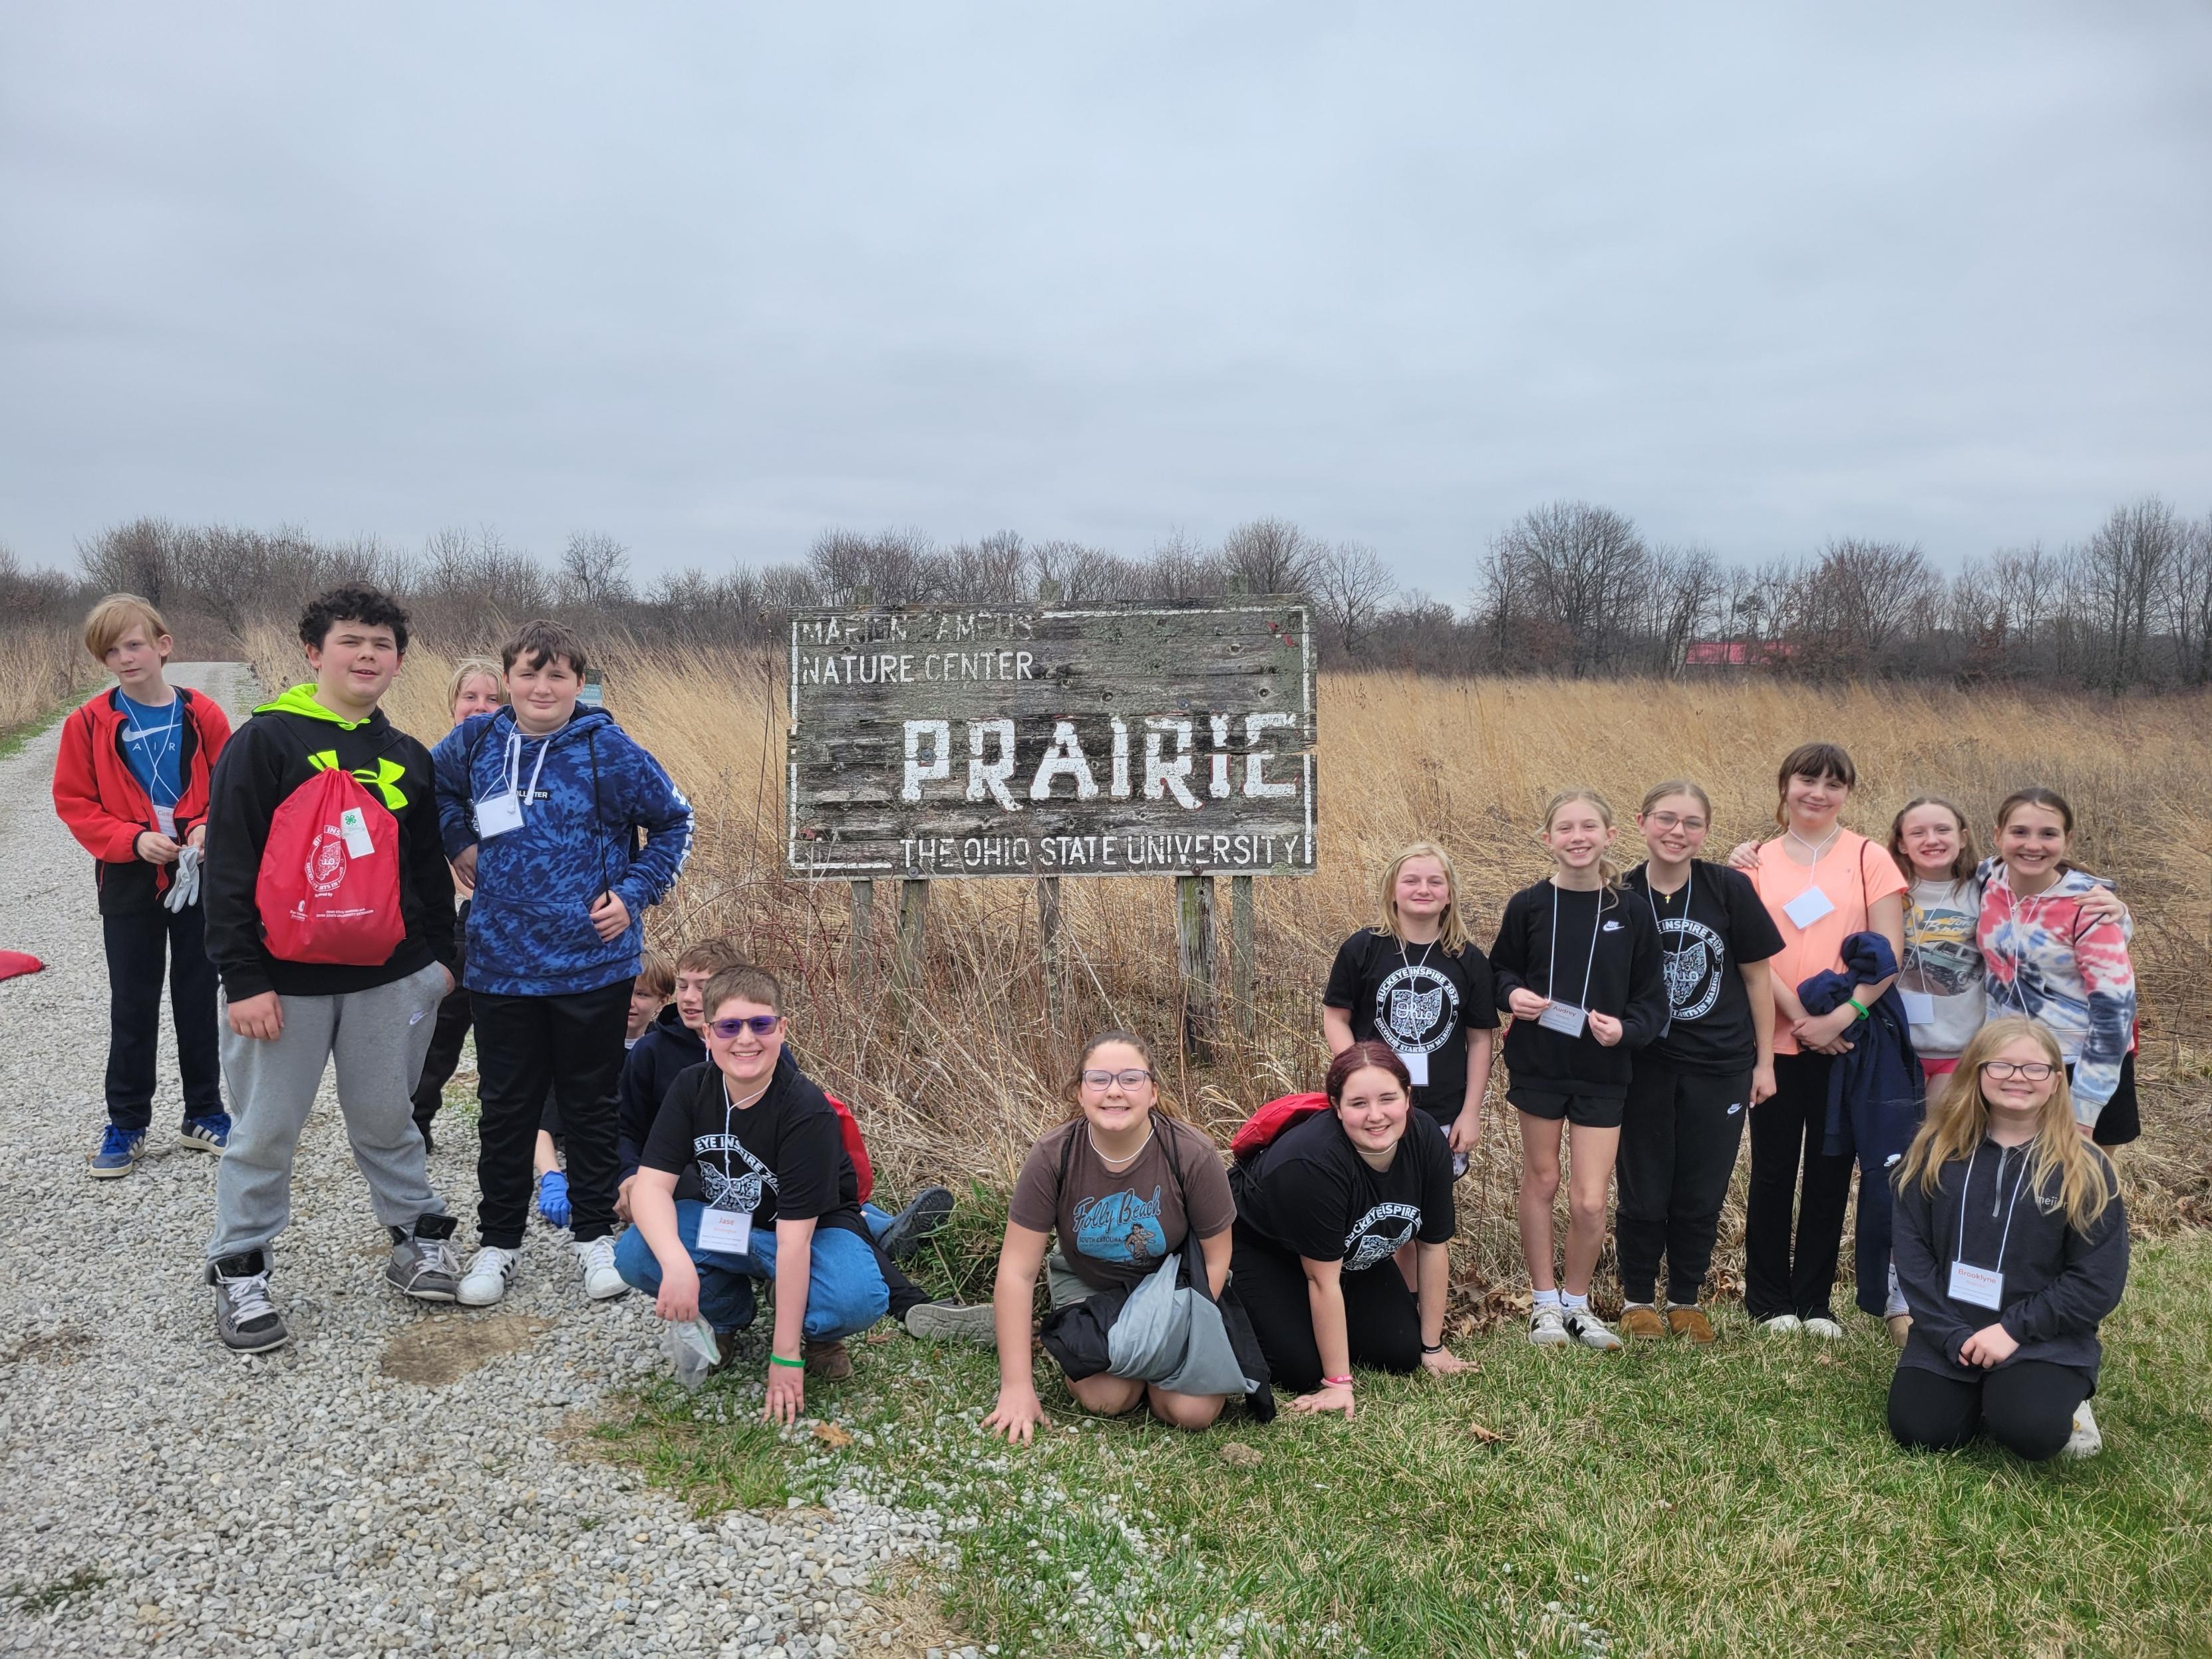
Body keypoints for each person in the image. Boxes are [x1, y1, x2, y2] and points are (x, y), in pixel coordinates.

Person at [199, 585, 462, 1353]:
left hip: (392, 978)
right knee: (265, 1128)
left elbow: (424, 873)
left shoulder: (407, 756)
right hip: (282, 985)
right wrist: (242, 977)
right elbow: (230, 867)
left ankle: (416, 1237)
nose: (368, 655)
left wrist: (441, 963)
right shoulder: (265, 743)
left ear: (399, 661)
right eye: (351, 641)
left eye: (382, 644)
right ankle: (240, 1269)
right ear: (315, 653)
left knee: (389, 1117)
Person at [432, 618, 695, 1308]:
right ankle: (498, 1243)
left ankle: (592, 1238)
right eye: (527, 673)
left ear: (580, 682)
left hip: (593, 964)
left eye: (557, 675)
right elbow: (430, 789)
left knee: (590, 1104)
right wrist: (457, 837)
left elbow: (676, 821)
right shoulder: (476, 739)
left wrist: (634, 894)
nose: (541, 687)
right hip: (501, 964)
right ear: (508, 678)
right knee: (506, 1107)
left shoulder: (609, 748)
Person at [616, 965, 897, 1420]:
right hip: (730, 1224)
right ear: (708, 1034)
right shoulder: (691, 1087)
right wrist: (676, 1264)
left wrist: (784, 1356)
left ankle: (818, 1331)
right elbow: (650, 1186)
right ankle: (727, 1314)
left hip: (812, 1232)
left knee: (856, 1298)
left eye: (759, 1024)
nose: (745, 1039)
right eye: (729, 1026)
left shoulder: (806, 1110)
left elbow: (793, 1241)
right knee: (636, 1253)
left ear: (781, 1029)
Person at [613, 937, 959, 1274]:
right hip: (691, 1171)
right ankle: (869, 1238)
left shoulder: (769, 1052)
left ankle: (874, 1231)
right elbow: (627, 1126)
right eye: (682, 985)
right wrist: (631, 1174)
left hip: (768, 1175)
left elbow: (792, 1119)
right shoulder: (654, 1052)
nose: (689, 998)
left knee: (816, 1198)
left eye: (702, 988)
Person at [982, 1032, 1244, 1441]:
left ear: (1153, 1092)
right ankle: (1124, 1365)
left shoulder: (1192, 1153)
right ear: (1080, 1092)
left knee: (1190, 1411)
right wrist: (1017, 1388)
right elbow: (1017, 1271)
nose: (1115, 1091)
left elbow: (1216, 1259)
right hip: (1090, 1286)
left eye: (1131, 1079)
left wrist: (1170, 1332)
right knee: (1107, 1398)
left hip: (1174, 1286)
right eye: (1099, 1079)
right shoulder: (1054, 1155)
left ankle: (1158, 1374)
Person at [1887, 1017, 2125, 1462]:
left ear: (2055, 1080)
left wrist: (2013, 1330)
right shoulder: (1932, 1154)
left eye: (2033, 1068)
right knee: (1921, 1431)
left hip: (2042, 1338)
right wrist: (1949, 1333)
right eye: (2000, 1066)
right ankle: (1981, 1392)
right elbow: (1914, 1259)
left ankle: (2052, 1396)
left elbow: (2096, 1281)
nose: (2016, 1078)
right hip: (1950, 1331)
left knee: (2030, 1433)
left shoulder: (2085, 1169)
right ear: (1976, 1074)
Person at [52, 593, 233, 1177]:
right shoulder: (88, 723)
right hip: (128, 880)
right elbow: (74, 802)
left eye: (134, 645)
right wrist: (130, 841)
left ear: (163, 646)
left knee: (197, 996)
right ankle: (127, 1123)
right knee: (132, 1002)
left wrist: (206, 824)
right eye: (111, 651)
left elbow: (230, 788)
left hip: (197, 875)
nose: (125, 658)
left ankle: (204, 1112)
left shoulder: (202, 714)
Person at [1739, 743, 1907, 1337]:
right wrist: (1798, 1018)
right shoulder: (1752, 861)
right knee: (1773, 1169)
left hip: (1845, 1043)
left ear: (1846, 793)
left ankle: (1813, 1302)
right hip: (1773, 1041)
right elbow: (1749, 953)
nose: (1818, 793)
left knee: (1831, 1171)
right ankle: (1765, 1300)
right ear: (1784, 785)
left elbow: (1890, 952)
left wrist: (1842, 1018)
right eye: (1807, 780)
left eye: (1833, 784)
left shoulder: (1869, 857)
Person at [1488, 789, 1666, 1350]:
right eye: (1564, 829)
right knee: (1542, 1179)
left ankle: (1578, 1305)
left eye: (1589, 827)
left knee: (1590, 1198)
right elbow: (1499, 972)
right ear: (1548, 840)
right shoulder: (1528, 905)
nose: (1577, 837)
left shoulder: (1632, 910)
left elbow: (1651, 1000)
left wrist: (1626, 1031)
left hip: (1604, 1071)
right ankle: (1543, 1306)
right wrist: (1512, 995)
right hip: (1540, 1065)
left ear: (1611, 836)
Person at [1615, 782, 1782, 1342]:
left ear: (1705, 832)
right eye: (1665, 819)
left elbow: (1758, 978)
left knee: (1701, 1186)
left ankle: (1685, 1298)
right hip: (1643, 1064)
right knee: (1643, 1184)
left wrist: (1764, 1063)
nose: (1677, 832)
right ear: (1641, 822)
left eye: (1691, 823)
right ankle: (1637, 1298)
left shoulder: (1727, 888)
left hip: (1721, 1063)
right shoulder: (1618, 893)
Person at [1230, 1042, 1470, 1414]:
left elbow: (1433, 1246)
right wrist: (1338, 1383)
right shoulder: (1313, 1162)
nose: (1376, 1116)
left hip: (1346, 1254)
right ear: (1337, 1107)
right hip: (1261, 1246)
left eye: (1388, 1098)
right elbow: (1321, 1279)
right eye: (1359, 1103)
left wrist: (1433, 1347)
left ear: (1408, 1098)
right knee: (1298, 1368)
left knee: (1401, 1351)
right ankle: (1232, 1303)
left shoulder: (1426, 1142)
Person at [1322, 842, 1497, 1177]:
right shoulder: (1363, 948)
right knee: (1370, 1195)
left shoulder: (1468, 960)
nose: (1423, 889)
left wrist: (1471, 1112)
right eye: (1411, 881)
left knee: (1431, 1205)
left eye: (1435, 882)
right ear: (1392, 891)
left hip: (1443, 1110)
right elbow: (1336, 1017)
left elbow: (1479, 1040)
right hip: (1374, 1107)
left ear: (1449, 896)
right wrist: (1358, 1074)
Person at [1978, 790, 2141, 1148]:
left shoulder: (2088, 907)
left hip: (2080, 1064)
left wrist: (2084, 1110)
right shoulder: (1987, 881)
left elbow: (2115, 1014)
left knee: (2084, 1191)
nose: (2032, 845)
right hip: (2007, 1058)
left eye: (2048, 834)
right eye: (2019, 832)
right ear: (1997, 836)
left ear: (2067, 840)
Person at [408, 657, 506, 1154]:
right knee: (441, 1030)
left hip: (507, 923)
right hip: (455, 923)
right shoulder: (432, 765)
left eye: (493, 699)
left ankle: (507, 1132)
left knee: (504, 1039)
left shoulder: (519, 764)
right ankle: (414, 1121)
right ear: (452, 705)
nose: (481, 708)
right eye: (470, 697)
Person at [536, 948, 674, 1231]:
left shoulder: (668, 1052)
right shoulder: (580, 1048)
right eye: (624, 992)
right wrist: (552, 1176)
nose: (631, 1003)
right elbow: (540, 1126)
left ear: (663, 1001)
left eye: (643, 995)